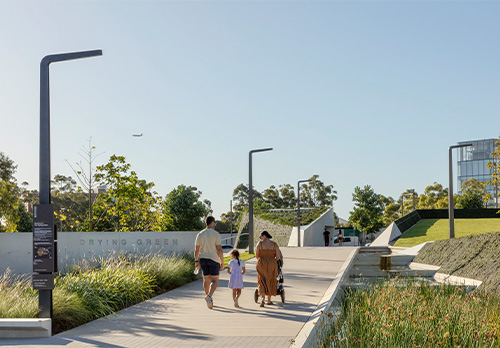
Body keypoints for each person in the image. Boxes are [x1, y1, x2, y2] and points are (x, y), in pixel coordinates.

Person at [194, 216, 224, 309]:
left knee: (206, 279)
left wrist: (196, 261)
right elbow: (219, 249)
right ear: (212, 223)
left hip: (203, 259)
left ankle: (208, 297)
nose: (215, 224)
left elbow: (196, 249)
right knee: (215, 280)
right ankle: (209, 296)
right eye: (214, 222)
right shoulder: (216, 234)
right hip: (213, 259)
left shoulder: (200, 234)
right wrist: (222, 261)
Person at [255, 231, 281, 307]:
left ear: (264, 236)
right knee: (271, 279)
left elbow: (256, 255)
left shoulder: (260, 244)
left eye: (260, 236)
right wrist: (272, 260)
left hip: (262, 263)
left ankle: (263, 298)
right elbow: (278, 256)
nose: (260, 238)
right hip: (272, 262)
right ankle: (269, 300)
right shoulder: (274, 244)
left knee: (261, 280)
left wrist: (262, 259)